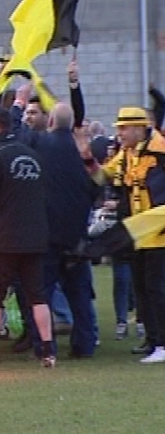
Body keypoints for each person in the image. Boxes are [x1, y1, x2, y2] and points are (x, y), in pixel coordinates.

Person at [12, 77, 99, 359]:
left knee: (42, 293)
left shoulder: (38, 144)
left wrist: (18, 103)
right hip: (77, 237)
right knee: (80, 295)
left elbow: (14, 133)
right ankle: (84, 345)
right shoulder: (85, 152)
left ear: (49, 122)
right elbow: (97, 183)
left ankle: (43, 346)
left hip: (46, 233)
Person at [0, 106, 56, 369]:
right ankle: (48, 351)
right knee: (36, 293)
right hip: (36, 235)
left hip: (4, 237)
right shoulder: (33, 156)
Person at [86, 107, 165, 362]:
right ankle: (152, 340)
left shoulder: (160, 150)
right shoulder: (126, 154)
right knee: (142, 287)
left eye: (124, 128)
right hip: (137, 232)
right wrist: (88, 160)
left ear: (139, 128)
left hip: (158, 231)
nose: (119, 133)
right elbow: (103, 176)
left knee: (156, 288)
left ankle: (162, 343)